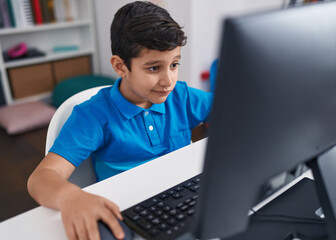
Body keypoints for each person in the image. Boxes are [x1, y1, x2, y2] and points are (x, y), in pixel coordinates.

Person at [27, 1, 212, 240]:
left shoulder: (181, 96)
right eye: (154, 68)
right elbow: (40, 178)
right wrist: (70, 197)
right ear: (120, 66)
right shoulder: (93, 115)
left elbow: (233, 112)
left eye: (174, 64)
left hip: (182, 201)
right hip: (131, 214)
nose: (169, 81)